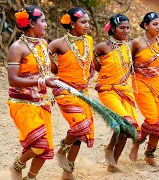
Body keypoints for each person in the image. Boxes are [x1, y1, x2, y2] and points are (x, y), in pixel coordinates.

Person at [7, 5, 58, 180]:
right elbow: (13, 80)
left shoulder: (43, 44)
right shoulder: (17, 48)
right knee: (39, 144)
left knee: (46, 147)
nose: (46, 25)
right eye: (42, 21)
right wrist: (42, 81)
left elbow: (49, 70)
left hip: (42, 102)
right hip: (22, 104)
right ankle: (17, 166)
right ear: (30, 23)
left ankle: (31, 177)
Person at [48, 8, 94, 180]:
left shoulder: (88, 40)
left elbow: (88, 64)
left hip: (82, 92)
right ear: (72, 24)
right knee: (81, 126)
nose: (87, 25)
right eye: (84, 22)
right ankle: (61, 151)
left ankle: (68, 172)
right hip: (64, 90)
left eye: (88, 22)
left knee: (80, 133)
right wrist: (56, 70)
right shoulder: (59, 43)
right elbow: (44, 58)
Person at [93, 14, 141, 172]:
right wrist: (104, 73)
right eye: (122, 28)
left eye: (128, 27)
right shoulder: (102, 47)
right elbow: (94, 63)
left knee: (130, 129)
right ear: (112, 29)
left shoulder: (129, 46)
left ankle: (113, 161)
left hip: (124, 89)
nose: (126, 30)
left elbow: (129, 64)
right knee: (126, 123)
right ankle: (109, 151)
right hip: (108, 90)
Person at [128, 12, 159, 167]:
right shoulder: (136, 43)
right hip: (141, 84)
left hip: (158, 84)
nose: (158, 27)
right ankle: (137, 143)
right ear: (145, 26)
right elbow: (125, 62)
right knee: (152, 119)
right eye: (155, 24)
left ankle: (150, 154)